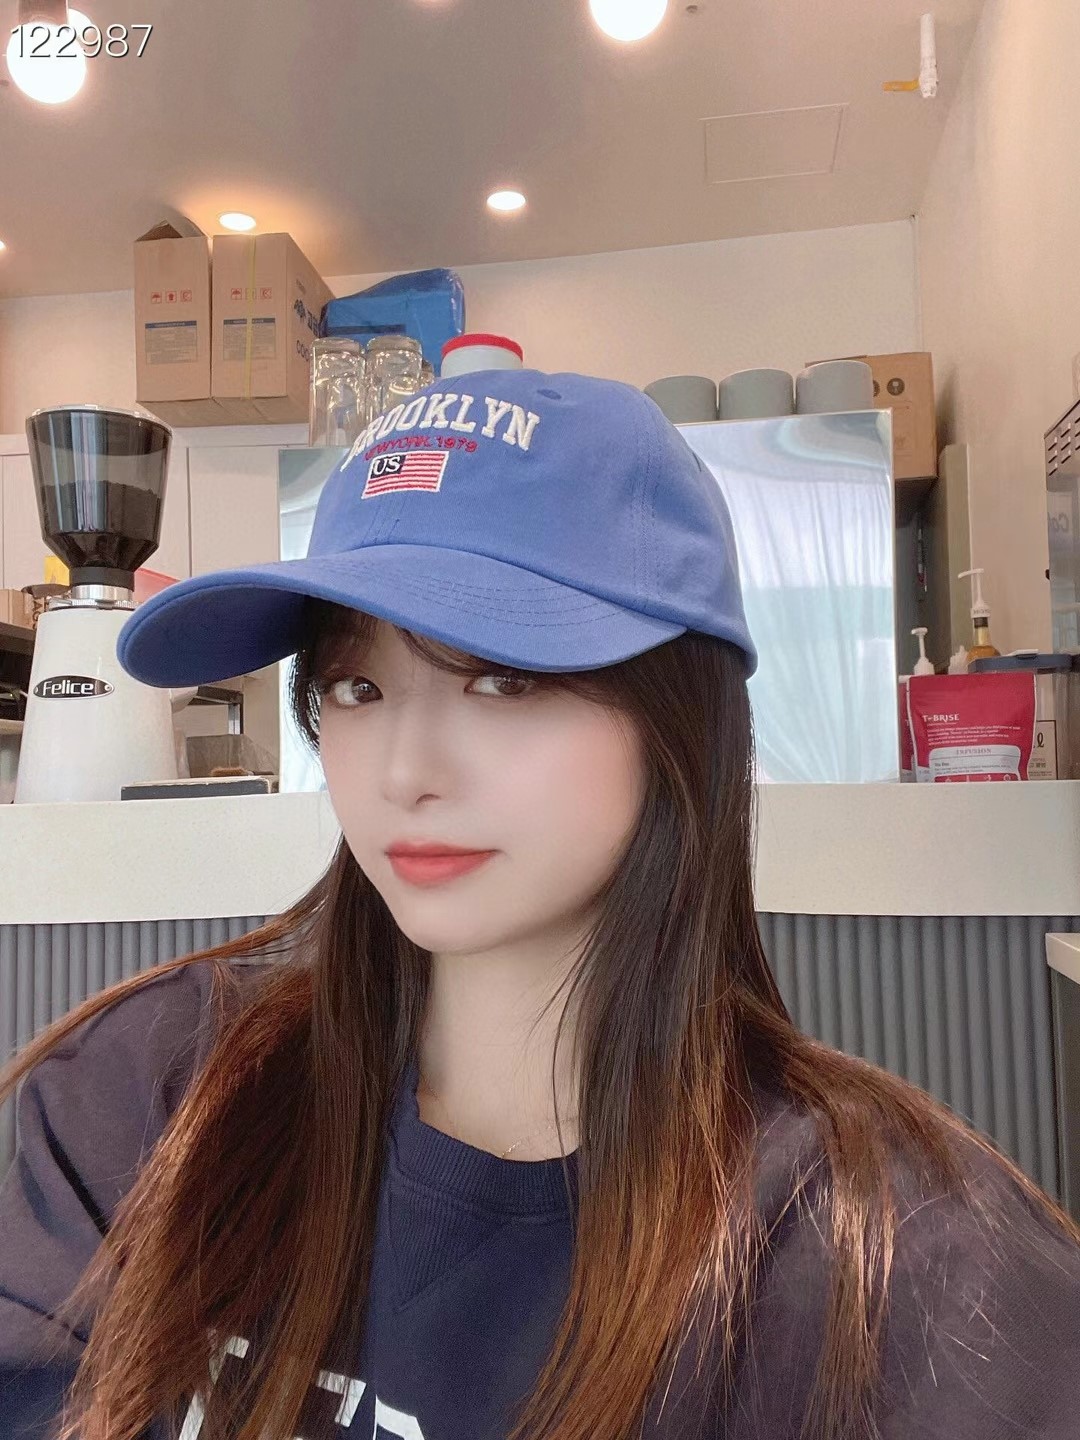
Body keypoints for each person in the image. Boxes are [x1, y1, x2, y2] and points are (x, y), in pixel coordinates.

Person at [0, 370, 1078, 1440]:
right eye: (357, 688)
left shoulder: (903, 1277)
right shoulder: (147, 1103)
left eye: (503, 679)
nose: (405, 773)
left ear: (680, 716)